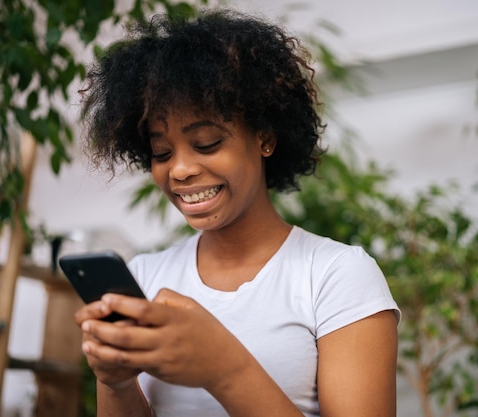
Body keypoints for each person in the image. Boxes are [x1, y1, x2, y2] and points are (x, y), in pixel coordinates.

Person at [75, 8, 400, 417]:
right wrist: (117, 382)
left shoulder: (336, 276)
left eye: (207, 143)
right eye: (162, 152)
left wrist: (224, 368)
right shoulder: (145, 278)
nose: (179, 169)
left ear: (265, 138)